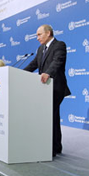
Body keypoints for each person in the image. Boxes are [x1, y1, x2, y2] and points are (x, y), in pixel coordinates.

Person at [24, 24, 71, 157]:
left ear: (48, 33)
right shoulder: (40, 49)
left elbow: (57, 62)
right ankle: (56, 146)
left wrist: (47, 73)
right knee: (53, 116)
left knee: (48, 116)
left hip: (56, 87)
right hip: (45, 88)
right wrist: (17, 73)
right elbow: (33, 64)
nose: (37, 38)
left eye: (39, 34)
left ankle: (48, 149)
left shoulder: (59, 45)